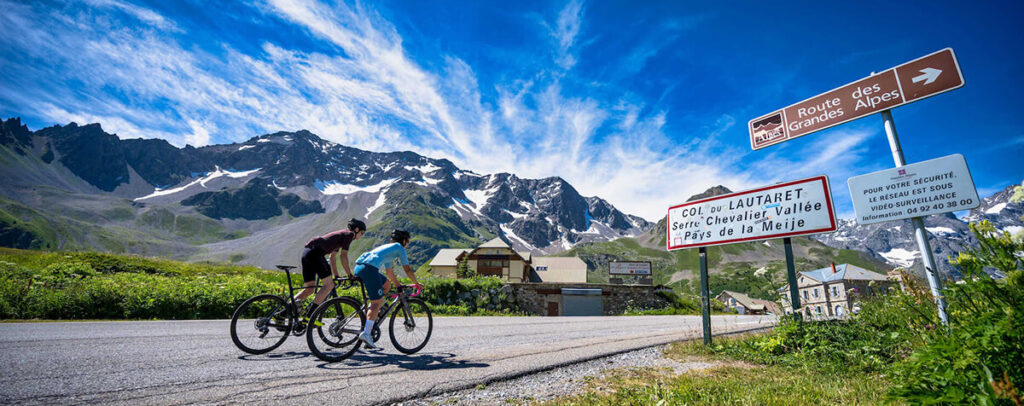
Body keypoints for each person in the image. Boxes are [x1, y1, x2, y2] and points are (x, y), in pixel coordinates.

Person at [354, 229, 421, 350]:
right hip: (370, 269)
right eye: (408, 242)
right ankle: (366, 333)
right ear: (405, 241)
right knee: (377, 303)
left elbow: (389, 272)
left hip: (360, 267)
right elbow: (407, 270)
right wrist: (416, 283)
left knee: (386, 285)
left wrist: (398, 285)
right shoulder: (399, 248)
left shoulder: (390, 250)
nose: (407, 245)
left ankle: (369, 312)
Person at [292, 218, 367, 324]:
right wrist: (349, 275)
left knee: (309, 289)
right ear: (357, 229)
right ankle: (310, 318)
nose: (361, 235)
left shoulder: (341, 236)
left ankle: (283, 311)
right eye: (362, 233)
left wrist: (336, 275)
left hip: (307, 253)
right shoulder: (349, 235)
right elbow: (343, 256)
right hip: (316, 254)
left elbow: (332, 258)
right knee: (328, 285)